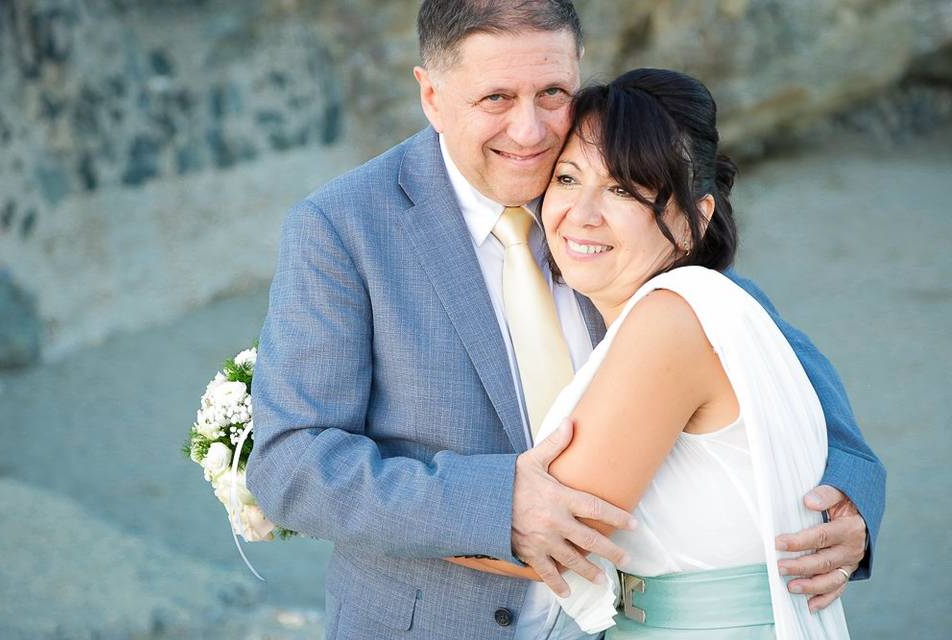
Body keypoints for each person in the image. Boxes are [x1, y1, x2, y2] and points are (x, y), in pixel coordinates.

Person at [247, 2, 884, 638]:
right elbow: (292, 462)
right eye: (495, 98)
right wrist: (499, 505)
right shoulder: (342, 228)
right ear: (432, 96)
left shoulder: (612, 190)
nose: (530, 132)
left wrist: (849, 500)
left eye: (552, 92)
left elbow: (764, 351)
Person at [448, 68, 853, 638]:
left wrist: (334, 496)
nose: (581, 213)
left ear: (695, 220)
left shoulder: (672, 319)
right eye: (567, 178)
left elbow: (554, 535)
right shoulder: (705, 308)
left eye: (622, 190)